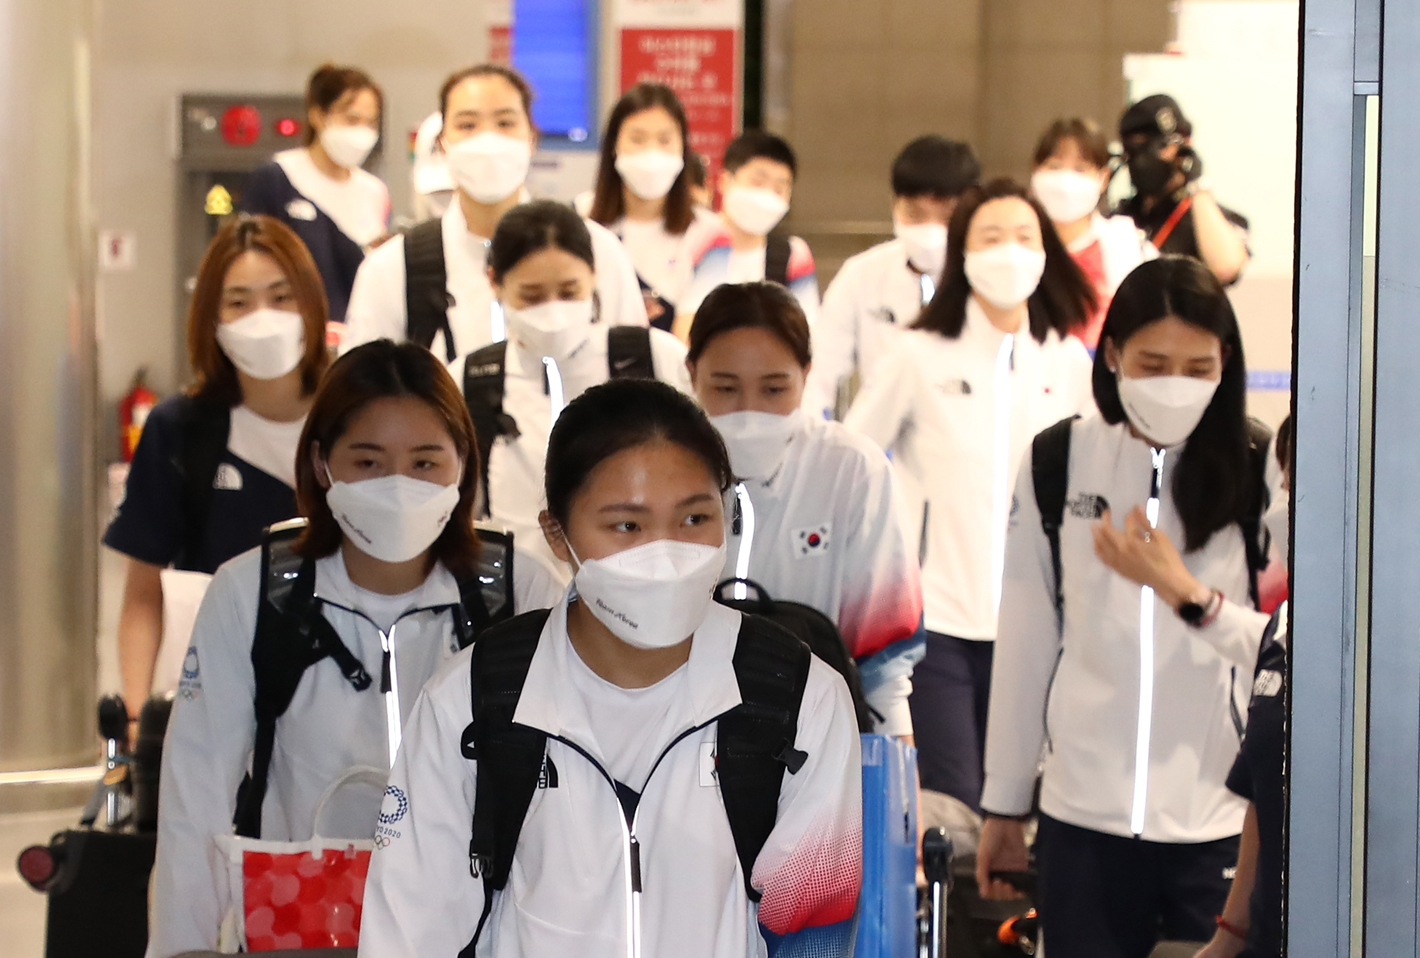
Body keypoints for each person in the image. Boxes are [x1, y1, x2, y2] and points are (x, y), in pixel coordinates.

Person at [357, 378, 862, 957]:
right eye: (627, 526)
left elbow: (814, 934)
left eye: (695, 519)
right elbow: (408, 937)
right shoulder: (470, 702)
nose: (665, 551)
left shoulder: (799, 699)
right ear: (557, 533)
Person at [147, 340, 562, 958]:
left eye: (425, 463)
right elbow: (195, 795)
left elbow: (565, 789)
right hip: (303, 925)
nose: (398, 485)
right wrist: (181, 947)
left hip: (477, 925)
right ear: (322, 464)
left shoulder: (516, 590)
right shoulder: (252, 591)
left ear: (462, 465)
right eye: (367, 462)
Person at [979, 256, 1276, 958]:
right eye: (1152, 362)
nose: (1175, 384)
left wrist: (1188, 596)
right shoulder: (1058, 461)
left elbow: (1287, 650)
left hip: (1217, 823)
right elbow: (1025, 638)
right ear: (1111, 354)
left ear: (1225, 362)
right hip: (1082, 819)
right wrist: (1004, 800)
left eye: (1197, 367)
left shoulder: (1262, 468)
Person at [844, 177, 1097, 814]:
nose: (1009, 252)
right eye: (991, 237)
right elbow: (852, 457)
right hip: (938, 623)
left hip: (1041, 621)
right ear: (962, 252)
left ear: (1046, 253)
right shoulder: (918, 353)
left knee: (1024, 810)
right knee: (952, 808)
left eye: (1023, 237)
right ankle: (946, 916)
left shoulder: (1067, 362)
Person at [104, 216, 331, 726]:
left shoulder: (356, 415)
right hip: (218, 696)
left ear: (312, 305)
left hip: (342, 690)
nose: (262, 317)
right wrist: (141, 723)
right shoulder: (181, 429)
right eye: (238, 302)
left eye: (280, 297)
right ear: (212, 318)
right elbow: (143, 593)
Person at [685, 281, 924, 737]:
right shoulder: (660, 467)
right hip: (681, 735)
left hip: (814, 738)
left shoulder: (851, 470)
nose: (749, 411)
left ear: (806, 374)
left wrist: (894, 769)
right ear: (692, 372)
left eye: (774, 390)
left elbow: (884, 655)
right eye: (725, 388)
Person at [450, 200, 692, 575]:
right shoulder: (469, 379)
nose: (553, 311)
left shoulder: (652, 358)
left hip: (640, 588)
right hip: (515, 603)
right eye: (531, 296)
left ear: (594, 276)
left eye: (569, 291)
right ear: (495, 283)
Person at [343, 63, 647, 362]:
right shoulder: (393, 268)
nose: (487, 140)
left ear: (532, 138)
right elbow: (360, 393)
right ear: (443, 144)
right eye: (467, 125)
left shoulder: (598, 251)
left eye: (505, 123)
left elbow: (637, 376)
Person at [1194, 415, 1291, 958]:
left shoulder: (1397, 651)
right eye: (1285, 482)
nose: (1285, 504)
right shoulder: (1282, 629)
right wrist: (1228, 937)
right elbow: (1263, 793)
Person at [807, 135, 982, 419]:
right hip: (879, 438)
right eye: (916, 214)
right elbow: (818, 372)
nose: (930, 230)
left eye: (946, 218)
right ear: (895, 206)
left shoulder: (986, 279)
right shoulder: (862, 275)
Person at [238, 65, 390, 325]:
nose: (361, 133)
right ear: (318, 116)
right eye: (351, 120)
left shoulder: (374, 191)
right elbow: (246, 264)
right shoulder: (278, 178)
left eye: (370, 123)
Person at [578, 82, 720, 329]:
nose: (651, 153)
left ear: (682, 148)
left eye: (665, 140)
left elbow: (693, 331)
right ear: (614, 146)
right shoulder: (578, 219)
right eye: (637, 139)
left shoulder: (710, 233)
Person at [678, 129, 819, 340]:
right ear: (725, 181)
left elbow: (808, 334)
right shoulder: (692, 238)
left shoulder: (793, 255)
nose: (767, 196)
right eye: (758, 182)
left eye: (780, 189)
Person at [1031, 117, 1157, 349]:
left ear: (1103, 178)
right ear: (1035, 171)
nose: (1065, 181)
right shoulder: (1018, 244)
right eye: (1054, 166)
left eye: (1080, 169)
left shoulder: (1125, 242)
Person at [1111, 95, 1251, 285]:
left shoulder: (1205, 218)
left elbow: (1226, 268)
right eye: (1136, 148)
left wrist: (1197, 185)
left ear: (1185, 147)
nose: (1146, 159)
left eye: (1160, 146)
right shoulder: (1120, 219)